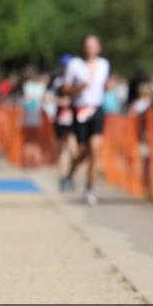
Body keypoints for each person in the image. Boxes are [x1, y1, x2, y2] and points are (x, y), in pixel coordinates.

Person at [62, 34, 110, 206]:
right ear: (83, 48)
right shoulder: (75, 64)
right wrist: (77, 88)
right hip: (80, 109)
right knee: (82, 151)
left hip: (96, 109)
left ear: (99, 48)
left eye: (93, 45)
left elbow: (104, 86)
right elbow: (65, 88)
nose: (90, 48)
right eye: (87, 45)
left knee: (95, 150)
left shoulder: (104, 64)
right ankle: (71, 171)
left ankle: (90, 189)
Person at [47, 55, 78, 191]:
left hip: (74, 117)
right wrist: (59, 101)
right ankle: (62, 177)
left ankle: (70, 175)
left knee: (73, 149)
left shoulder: (76, 79)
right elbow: (47, 96)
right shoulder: (56, 80)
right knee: (61, 150)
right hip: (60, 117)